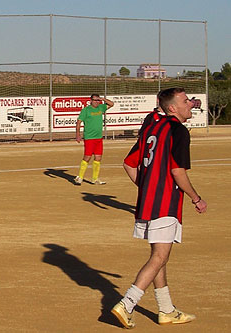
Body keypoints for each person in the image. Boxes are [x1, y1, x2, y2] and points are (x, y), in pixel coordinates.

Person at [111, 88, 208, 329]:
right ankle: (127, 303)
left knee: (159, 258)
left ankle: (166, 310)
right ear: (173, 108)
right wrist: (196, 198)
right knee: (159, 257)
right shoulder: (178, 131)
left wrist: (146, 187)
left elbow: (128, 164)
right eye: (185, 101)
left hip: (147, 204)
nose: (190, 104)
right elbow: (177, 172)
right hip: (165, 205)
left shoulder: (152, 128)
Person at [74, 94, 114, 185]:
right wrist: (77, 134)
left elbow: (112, 104)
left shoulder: (101, 108)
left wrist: (103, 99)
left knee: (98, 157)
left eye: (97, 100)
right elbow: (79, 122)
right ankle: (80, 177)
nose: (96, 102)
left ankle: (95, 179)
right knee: (87, 157)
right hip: (89, 138)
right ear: (90, 100)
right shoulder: (86, 110)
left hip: (98, 138)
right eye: (94, 100)